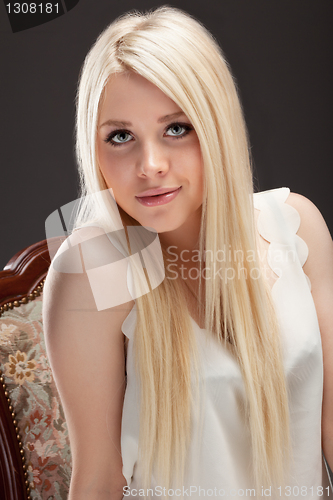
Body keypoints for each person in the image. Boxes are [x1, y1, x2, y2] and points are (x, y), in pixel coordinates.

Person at [42, 6, 333, 500]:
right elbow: (98, 480)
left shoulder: (296, 226)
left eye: (176, 128)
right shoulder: (91, 272)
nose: (150, 165)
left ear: (216, 125)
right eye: (120, 136)